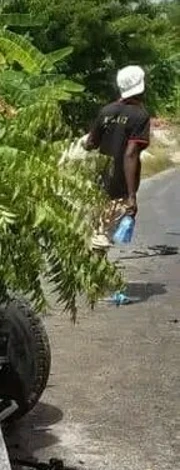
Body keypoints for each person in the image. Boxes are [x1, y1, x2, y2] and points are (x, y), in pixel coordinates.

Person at [84, 65, 150, 306]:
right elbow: (131, 153)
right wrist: (132, 196)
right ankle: (99, 283)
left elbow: (90, 143)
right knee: (101, 239)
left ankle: (93, 280)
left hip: (98, 182)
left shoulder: (106, 111)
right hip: (119, 185)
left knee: (99, 234)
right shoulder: (140, 115)